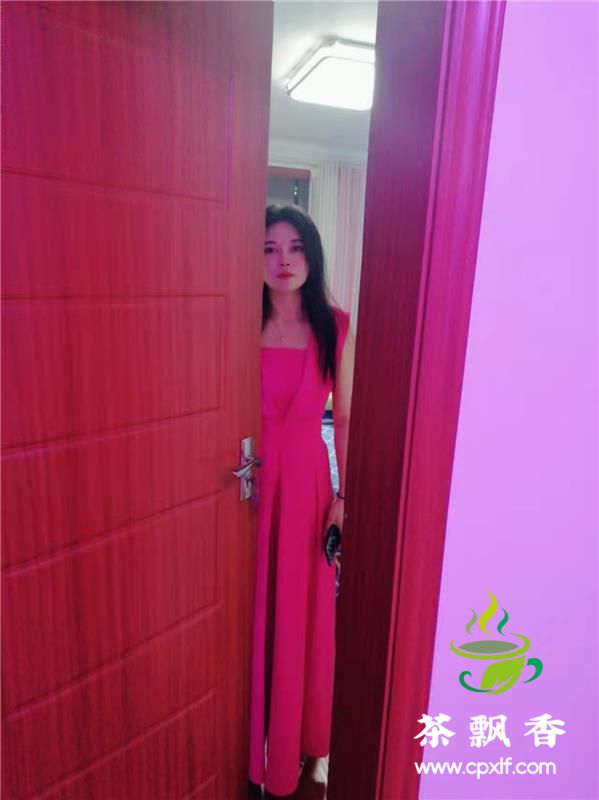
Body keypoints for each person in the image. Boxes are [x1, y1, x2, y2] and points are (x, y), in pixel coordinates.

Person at [248, 205, 355, 798]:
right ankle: (245, 744)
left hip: (310, 487)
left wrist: (344, 496)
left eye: (294, 248)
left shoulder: (335, 326)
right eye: (269, 248)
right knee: (249, 612)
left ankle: (298, 744)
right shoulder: (237, 319)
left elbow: (347, 419)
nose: (283, 260)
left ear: (312, 256)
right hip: (249, 483)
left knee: (301, 611)